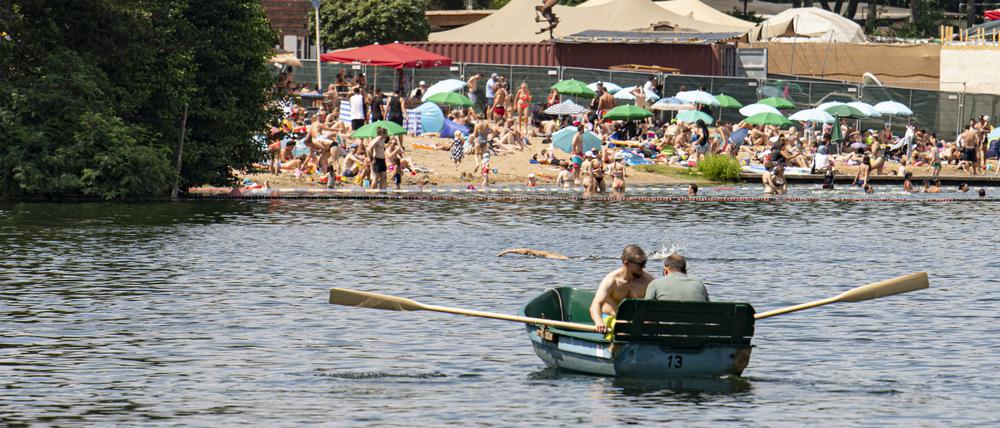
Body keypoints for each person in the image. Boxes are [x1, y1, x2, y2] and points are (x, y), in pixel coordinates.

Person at [589, 245, 654, 334]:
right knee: (622, 325)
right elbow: (595, 305)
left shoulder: (648, 281)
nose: (644, 267)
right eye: (640, 264)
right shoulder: (612, 280)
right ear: (626, 263)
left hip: (633, 321)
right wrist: (599, 322)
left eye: (645, 262)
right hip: (609, 317)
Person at [644, 254, 709, 302]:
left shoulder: (655, 284)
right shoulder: (699, 284)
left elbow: (645, 312)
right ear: (685, 271)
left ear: (666, 270)